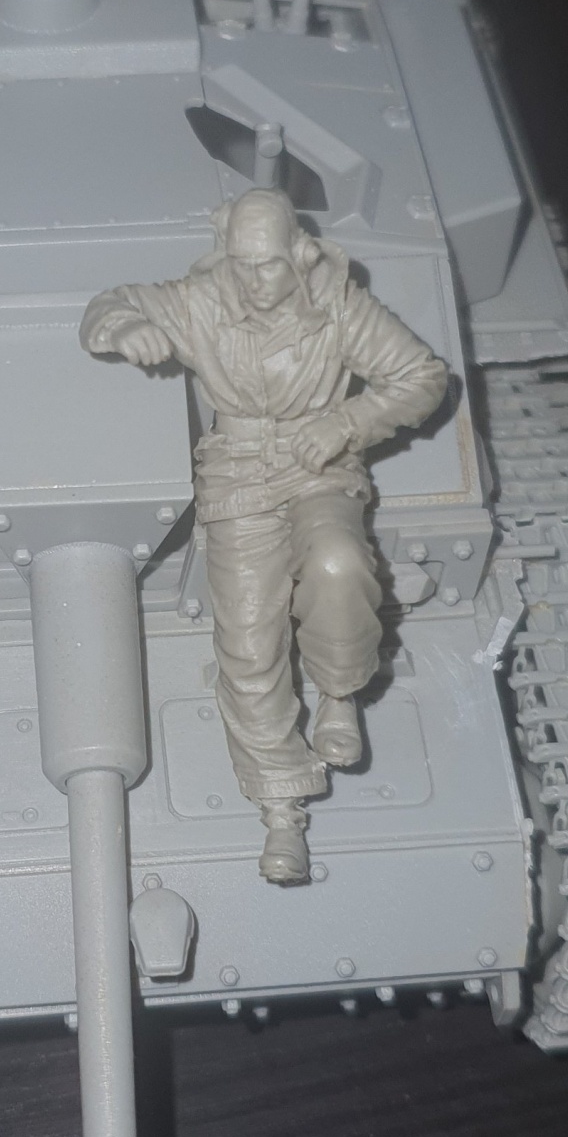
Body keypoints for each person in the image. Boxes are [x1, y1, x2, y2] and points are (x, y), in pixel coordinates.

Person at [81, 188, 448, 882]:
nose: (254, 279)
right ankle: (282, 811)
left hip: (319, 468)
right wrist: (125, 327)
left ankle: (339, 691)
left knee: (339, 564)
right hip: (239, 475)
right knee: (249, 646)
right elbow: (107, 306)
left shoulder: (336, 305)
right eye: (241, 263)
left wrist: (345, 423)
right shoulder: (203, 300)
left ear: (299, 255)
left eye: (268, 264)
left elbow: (422, 375)